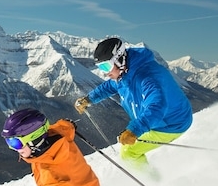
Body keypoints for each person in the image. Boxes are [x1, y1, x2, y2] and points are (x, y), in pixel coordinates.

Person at [74, 37, 193, 169]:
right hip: (161, 119)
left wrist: (135, 130)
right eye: (100, 67)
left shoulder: (148, 77)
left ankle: (154, 184)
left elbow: (157, 106)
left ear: (119, 59)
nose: (105, 72)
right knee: (128, 150)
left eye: (106, 66)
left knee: (128, 153)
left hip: (172, 122)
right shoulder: (125, 72)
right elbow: (111, 86)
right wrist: (89, 99)